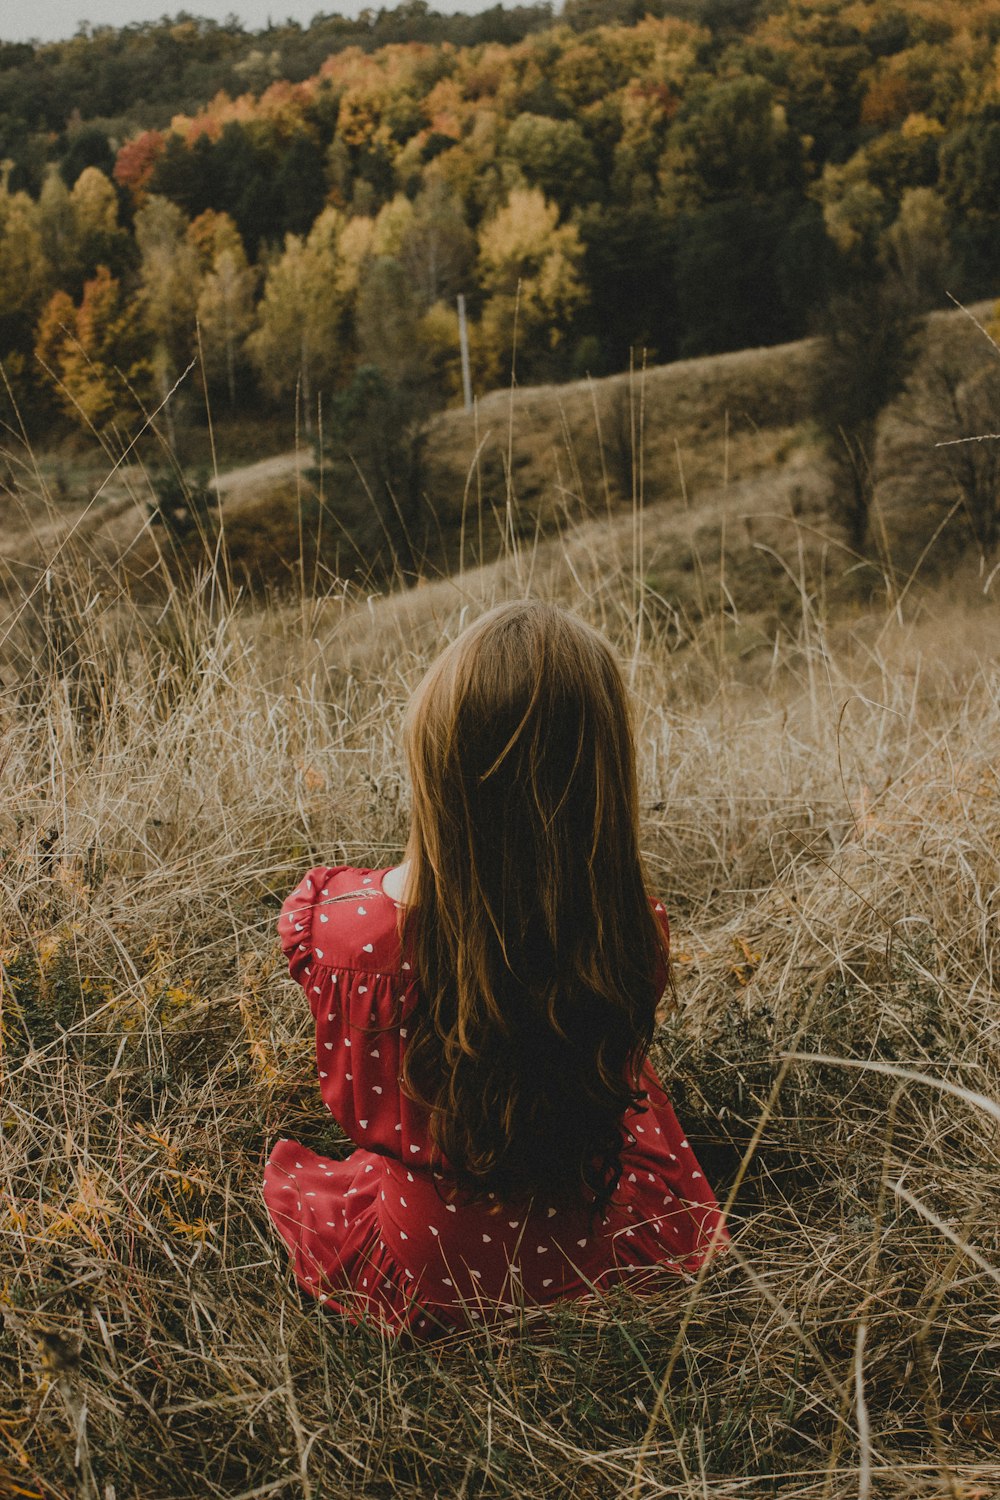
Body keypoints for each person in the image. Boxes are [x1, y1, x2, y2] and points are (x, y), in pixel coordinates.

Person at [262, 600, 729, 1338]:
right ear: (600, 782)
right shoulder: (629, 932)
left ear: (436, 763)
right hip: (589, 1250)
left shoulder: (344, 933)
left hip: (430, 1264)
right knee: (641, 1095)